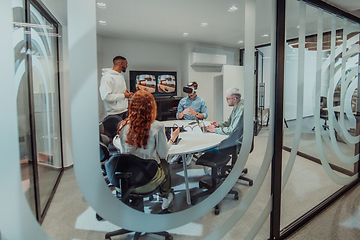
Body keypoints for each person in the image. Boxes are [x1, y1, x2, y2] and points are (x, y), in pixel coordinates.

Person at [116, 90, 180, 210]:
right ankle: (165, 196)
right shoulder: (157, 126)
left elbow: (123, 153)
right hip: (148, 179)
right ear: (152, 107)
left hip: (126, 180)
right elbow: (163, 154)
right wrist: (172, 139)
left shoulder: (122, 126)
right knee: (165, 164)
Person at [99, 56, 133, 120]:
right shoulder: (107, 77)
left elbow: (119, 92)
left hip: (124, 111)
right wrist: (123, 95)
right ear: (121, 63)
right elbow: (106, 96)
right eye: (126, 64)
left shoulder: (120, 75)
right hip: (114, 114)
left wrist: (127, 95)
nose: (127, 66)